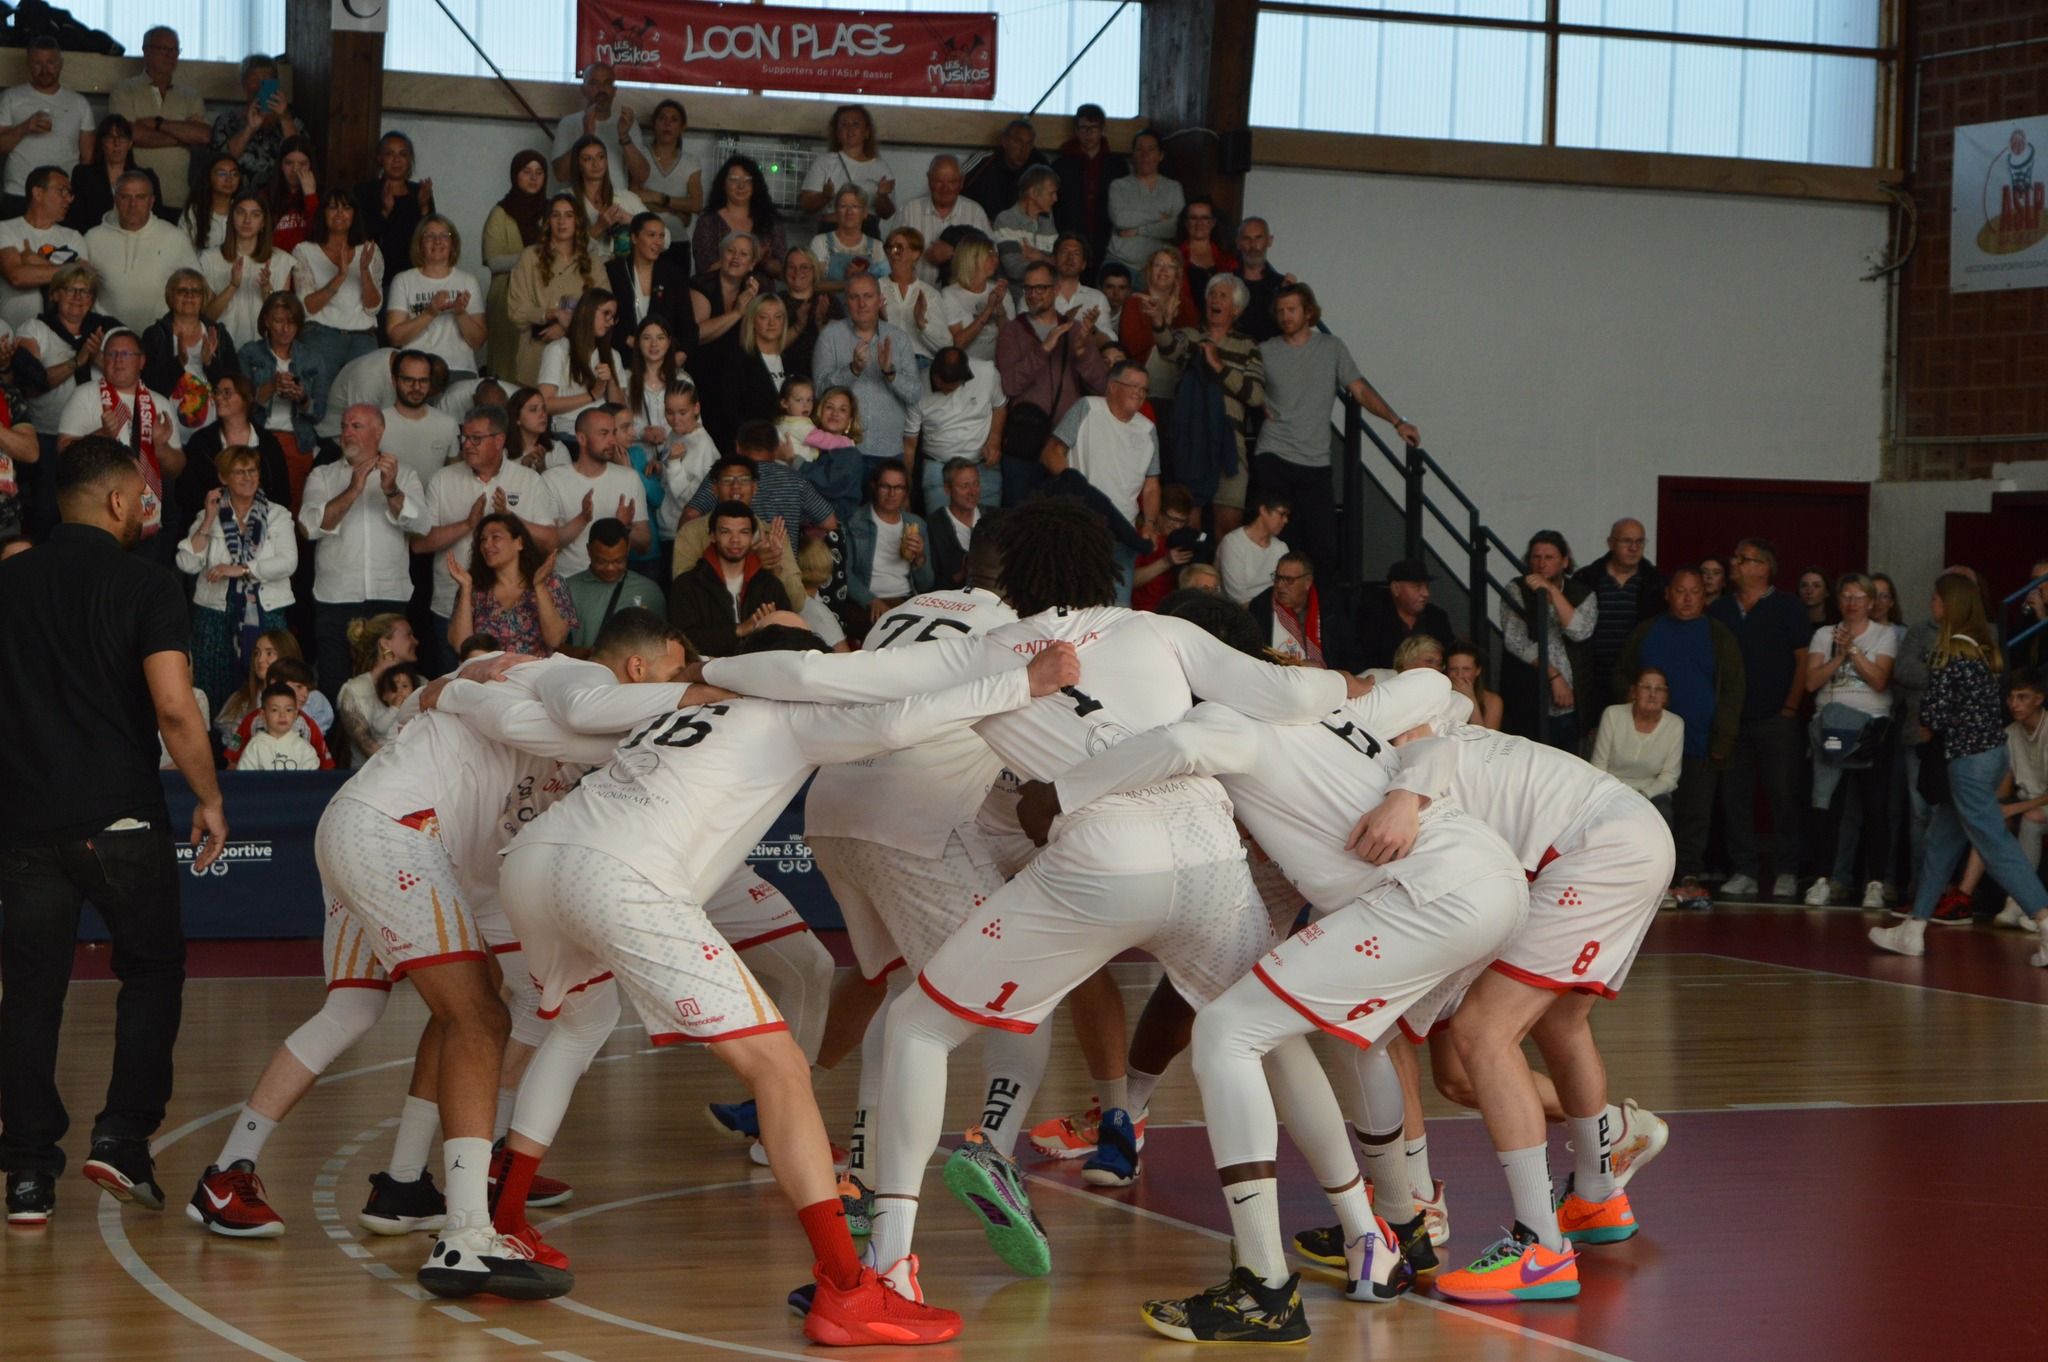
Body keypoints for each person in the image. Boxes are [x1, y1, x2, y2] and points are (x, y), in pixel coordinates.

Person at [701, 497, 1366, 1322]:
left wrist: (709, 668)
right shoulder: (1158, 628)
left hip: (1102, 861)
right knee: (1263, 1039)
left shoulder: (993, 649)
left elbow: (813, 676)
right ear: (1106, 568)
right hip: (1210, 862)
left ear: (1008, 574)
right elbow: (1292, 697)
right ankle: (1353, 1241)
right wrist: (1367, 687)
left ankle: (893, 1267)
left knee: (917, 1026)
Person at [1016, 617, 1512, 1339]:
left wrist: (1057, 794)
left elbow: (1181, 743)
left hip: (1427, 893)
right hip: (1479, 874)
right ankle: (1400, 1230)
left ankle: (1263, 1287)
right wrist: (1412, 782)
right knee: (1354, 1039)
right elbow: (1448, 700)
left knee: (1227, 1030)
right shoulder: (1324, 704)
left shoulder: (1228, 717)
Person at [0, 435, 227, 1227]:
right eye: (142, 497)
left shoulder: (9, 582)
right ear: (120, 501)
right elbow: (173, 706)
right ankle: (123, 1139)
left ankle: (27, 1174)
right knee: (154, 972)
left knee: (28, 997)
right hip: (122, 820)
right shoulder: (146, 583)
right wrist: (210, 796)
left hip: (24, 826)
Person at [1871, 574, 2048, 960]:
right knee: (1941, 840)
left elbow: (1932, 713)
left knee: (1993, 841)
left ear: (1950, 605)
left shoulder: (1951, 653)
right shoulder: (1984, 649)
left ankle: (2045, 919)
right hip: (1989, 754)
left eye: (1936, 598)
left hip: (1966, 761)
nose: (1932, 604)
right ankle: (1914, 927)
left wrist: (1931, 718)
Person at [1613, 566, 1743, 907]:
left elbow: (1733, 690)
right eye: (1680, 591)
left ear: (1706, 596)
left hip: (1700, 743)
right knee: (1652, 811)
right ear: (1668, 594)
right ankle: (1650, 876)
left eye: (1695, 592)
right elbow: (1623, 677)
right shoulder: (1647, 631)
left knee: (1694, 814)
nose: (1687, 599)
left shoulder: (1719, 635)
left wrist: (1722, 742)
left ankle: (1687, 875)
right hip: (1648, 744)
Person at [298, 404, 428, 701]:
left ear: (379, 432)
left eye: (356, 426)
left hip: (389, 596)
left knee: (392, 687)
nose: (347, 433)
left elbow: (422, 525)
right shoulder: (324, 475)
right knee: (335, 686)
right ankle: (335, 749)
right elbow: (308, 526)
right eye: (344, 426)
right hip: (336, 599)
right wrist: (354, 489)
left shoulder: (404, 475)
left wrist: (392, 490)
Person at [416, 404, 561, 665]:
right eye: (465, 438)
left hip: (514, 609)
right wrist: (468, 524)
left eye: (476, 438)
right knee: (455, 690)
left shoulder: (528, 480)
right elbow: (420, 544)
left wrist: (510, 519)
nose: (467, 445)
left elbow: (551, 541)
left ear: (499, 440)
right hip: (451, 604)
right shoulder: (443, 479)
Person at [1708, 537, 1811, 900]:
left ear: (1764, 567)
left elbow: (1803, 661)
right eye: (1736, 557)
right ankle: (1744, 870)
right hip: (1733, 722)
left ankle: (1786, 869)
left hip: (1776, 718)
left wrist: (1789, 709)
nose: (1735, 563)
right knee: (1736, 798)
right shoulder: (1719, 609)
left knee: (1784, 795)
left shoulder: (1788, 607)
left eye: (1744, 559)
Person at [1802, 573, 1900, 908]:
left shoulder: (1885, 635)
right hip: (1830, 728)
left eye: (1859, 597)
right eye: (1846, 596)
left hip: (1871, 728)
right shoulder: (1823, 634)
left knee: (1875, 807)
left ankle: (1874, 883)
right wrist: (1839, 656)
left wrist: (1854, 651)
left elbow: (1879, 679)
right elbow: (1811, 682)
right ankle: (1821, 880)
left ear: (1871, 602)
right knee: (1827, 807)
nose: (1851, 603)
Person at [175, 444, 295, 711]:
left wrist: (242, 570)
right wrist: (207, 520)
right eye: (239, 472)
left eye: (252, 470)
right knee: (213, 686)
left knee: (267, 686)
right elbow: (187, 562)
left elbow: (288, 562)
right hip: (214, 614)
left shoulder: (276, 514)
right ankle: (217, 750)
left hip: (267, 611)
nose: (248, 477)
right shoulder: (209, 514)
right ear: (223, 477)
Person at [1042, 359, 1159, 602]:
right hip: (1081, 527)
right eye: (1133, 386)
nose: (1139, 393)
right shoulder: (1088, 408)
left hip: (1122, 532)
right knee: (1073, 603)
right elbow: (1052, 452)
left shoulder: (1148, 429)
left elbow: (1151, 485)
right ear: (1112, 386)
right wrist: (1076, 488)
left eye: (1144, 389)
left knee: (1117, 610)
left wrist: (1149, 523)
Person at [1155, 272, 1263, 527]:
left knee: (1227, 530)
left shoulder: (1247, 345)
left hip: (1230, 445)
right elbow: (1169, 348)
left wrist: (1219, 368)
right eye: (1212, 294)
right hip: (1192, 440)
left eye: (1222, 295)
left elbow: (1256, 396)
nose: (1215, 299)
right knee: (1188, 524)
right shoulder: (1192, 336)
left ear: (1235, 309)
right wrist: (1159, 323)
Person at [671, 444, 819, 606]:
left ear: (754, 488)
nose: (736, 487)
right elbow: (683, 594)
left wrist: (774, 568)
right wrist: (752, 562)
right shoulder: (691, 532)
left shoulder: (772, 534)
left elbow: (796, 602)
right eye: (727, 480)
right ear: (714, 489)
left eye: (744, 480)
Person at [1503, 530, 1597, 751]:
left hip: (1572, 702)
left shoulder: (1582, 592)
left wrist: (1552, 592)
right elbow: (1515, 640)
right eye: (1536, 557)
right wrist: (1553, 675)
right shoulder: (1517, 589)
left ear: (1565, 561)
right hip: (1529, 694)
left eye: (1549, 557)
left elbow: (1580, 631)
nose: (1541, 563)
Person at [813, 273, 920, 464]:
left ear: (880, 301)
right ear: (846, 302)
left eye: (868, 296)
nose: (862, 304)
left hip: (888, 450)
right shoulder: (830, 335)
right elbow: (820, 391)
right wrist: (852, 369)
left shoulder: (899, 338)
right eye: (854, 297)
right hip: (841, 450)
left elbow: (914, 394)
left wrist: (890, 373)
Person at [289, 190, 381, 412]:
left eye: (347, 207)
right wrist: (340, 276)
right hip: (320, 334)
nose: (340, 213)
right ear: (323, 214)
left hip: (362, 336)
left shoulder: (370, 250)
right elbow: (307, 307)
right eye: (332, 207)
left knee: (364, 408)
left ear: (354, 215)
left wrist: (363, 271)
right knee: (317, 405)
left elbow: (373, 307)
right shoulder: (304, 250)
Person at [668, 499, 790, 655]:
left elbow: (790, 637)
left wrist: (772, 626)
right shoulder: (687, 584)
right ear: (712, 536)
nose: (735, 540)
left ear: (752, 538)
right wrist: (739, 630)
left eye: (743, 532)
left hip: (759, 673)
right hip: (707, 674)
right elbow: (682, 641)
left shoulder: (770, 585)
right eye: (726, 532)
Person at [109, 27, 210, 215]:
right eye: (164, 49)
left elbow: (203, 135)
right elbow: (129, 134)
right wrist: (182, 137)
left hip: (179, 198)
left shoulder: (189, 95)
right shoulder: (125, 90)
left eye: (175, 50)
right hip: (134, 199)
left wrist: (158, 124)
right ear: (146, 51)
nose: (171, 56)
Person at [446, 512, 574, 656]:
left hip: (534, 675)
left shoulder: (551, 582)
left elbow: (555, 640)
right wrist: (466, 587)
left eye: (496, 537)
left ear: (519, 543)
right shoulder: (474, 587)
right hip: (486, 674)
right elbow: (461, 646)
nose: (487, 545)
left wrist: (539, 587)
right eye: (482, 540)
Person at [997, 259, 1106, 428]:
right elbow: (1009, 386)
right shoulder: (1012, 330)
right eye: (1028, 288)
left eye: (1040, 288)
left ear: (1056, 290)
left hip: (1066, 434)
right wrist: (1043, 350)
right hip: (1025, 431)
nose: (1033, 295)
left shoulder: (1075, 329)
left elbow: (1101, 387)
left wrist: (1082, 354)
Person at [83, 173, 197, 333]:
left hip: (159, 340)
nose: (133, 204)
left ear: (152, 201)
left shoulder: (175, 238)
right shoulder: (92, 238)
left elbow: (197, 287)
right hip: (108, 341)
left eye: (140, 197)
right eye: (125, 197)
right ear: (115, 200)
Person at [506, 193, 600, 387]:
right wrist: (550, 314)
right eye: (556, 215)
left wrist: (567, 326)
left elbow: (604, 310)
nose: (562, 222)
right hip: (535, 361)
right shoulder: (530, 257)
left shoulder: (593, 263)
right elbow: (516, 311)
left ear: (578, 221)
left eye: (569, 215)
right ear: (547, 221)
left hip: (579, 362)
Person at [544, 406, 649, 578]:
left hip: (613, 581)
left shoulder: (629, 477)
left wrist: (624, 528)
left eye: (613, 433)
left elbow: (644, 545)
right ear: (582, 438)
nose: (612, 441)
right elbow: (549, 545)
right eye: (603, 433)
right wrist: (583, 518)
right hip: (567, 582)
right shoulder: (552, 480)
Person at [140, 267, 237, 443]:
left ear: (203, 298)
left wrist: (210, 363)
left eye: (196, 291)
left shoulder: (219, 334)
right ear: (170, 297)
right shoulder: (155, 335)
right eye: (182, 290)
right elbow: (148, 388)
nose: (189, 295)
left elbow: (234, 389)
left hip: (212, 437)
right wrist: (178, 364)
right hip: (166, 437)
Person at [1573, 518, 1664, 705]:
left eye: (1640, 541)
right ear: (1611, 543)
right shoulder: (1587, 579)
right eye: (1627, 541)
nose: (1634, 548)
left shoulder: (1657, 582)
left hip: (1637, 678)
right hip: (1592, 677)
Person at [0, 38, 93, 218]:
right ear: (28, 64)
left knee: (61, 246)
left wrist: (79, 194)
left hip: (63, 196)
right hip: (20, 192)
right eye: (38, 63)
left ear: (61, 64)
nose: (44, 69)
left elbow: (87, 160)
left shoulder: (79, 103)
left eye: (50, 62)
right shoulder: (11, 98)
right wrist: (25, 127)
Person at [385, 215, 485, 381]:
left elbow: (478, 341)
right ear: (420, 245)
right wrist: (430, 313)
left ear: (453, 244)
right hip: (416, 371)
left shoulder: (468, 281)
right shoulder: (403, 280)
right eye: (430, 236)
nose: (437, 241)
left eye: (444, 236)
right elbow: (395, 337)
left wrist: (460, 314)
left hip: (459, 368)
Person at [905, 345, 1004, 513]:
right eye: (944, 387)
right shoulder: (917, 388)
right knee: (941, 526)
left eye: (954, 387)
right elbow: (909, 444)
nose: (948, 392)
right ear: (934, 376)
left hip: (982, 465)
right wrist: (906, 487)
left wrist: (995, 439)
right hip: (939, 467)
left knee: (989, 527)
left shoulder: (987, 372)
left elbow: (1000, 406)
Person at [483, 151, 549, 380]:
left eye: (539, 173)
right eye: (527, 172)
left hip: (545, 297)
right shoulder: (500, 213)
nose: (533, 178)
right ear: (515, 175)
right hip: (507, 297)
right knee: (507, 365)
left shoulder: (553, 212)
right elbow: (494, 261)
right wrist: (533, 256)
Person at [1991, 670, 2048, 927]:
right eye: (2011, 697)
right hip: (2029, 801)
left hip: (2037, 805)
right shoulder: (2010, 733)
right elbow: (2006, 782)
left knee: (2031, 817)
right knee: (1991, 820)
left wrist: (2014, 808)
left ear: (2039, 699)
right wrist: (1997, 808)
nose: (2014, 704)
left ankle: (2020, 902)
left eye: (2022, 697)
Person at [0, 165, 87, 330]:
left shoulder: (73, 236)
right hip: (10, 335)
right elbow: (17, 276)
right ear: (38, 193)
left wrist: (35, 262)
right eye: (62, 191)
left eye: (69, 194)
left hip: (59, 339)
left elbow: (84, 282)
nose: (68, 199)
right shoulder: (5, 229)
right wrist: (71, 268)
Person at [238, 288, 324, 454]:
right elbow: (241, 407)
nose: (286, 329)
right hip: (256, 439)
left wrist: (302, 398)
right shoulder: (248, 353)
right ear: (267, 321)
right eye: (279, 321)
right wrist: (271, 386)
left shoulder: (313, 358)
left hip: (297, 441)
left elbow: (319, 414)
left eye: (292, 322)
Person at [1592, 667, 1683, 821]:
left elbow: (1669, 777)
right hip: (1611, 790)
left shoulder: (1675, 724)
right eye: (1646, 687)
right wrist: (1616, 794)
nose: (1653, 694)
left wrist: (1642, 795)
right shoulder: (1613, 715)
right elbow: (1598, 767)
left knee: (1663, 814)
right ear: (1634, 692)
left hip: (1651, 793)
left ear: (1665, 697)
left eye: (1659, 689)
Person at [847, 459, 932, 622]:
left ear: (906, 492)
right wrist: (870, 600)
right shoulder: (855, 521)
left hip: (906, 600)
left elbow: (926, 585)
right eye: (886, 486)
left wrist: (920, 558)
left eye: (898, 487)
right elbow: (845, 573)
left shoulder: (917, 524)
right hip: (868, 602)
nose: (892, 494)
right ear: (874, 487)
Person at [887, 154, 989, 287]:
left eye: (952, 182)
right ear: (929, 179)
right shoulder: (909, 210)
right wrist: (917, 254)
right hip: (915, 292)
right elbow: (891, 251)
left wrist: (954, 253)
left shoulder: (975, 212)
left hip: (962, 298)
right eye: (939, 181)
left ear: (961, 182)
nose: (945, 188)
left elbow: (990, 257)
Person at [563, 516, 663, 651]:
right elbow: (554, 647)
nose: (610, 568)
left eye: (618, 561)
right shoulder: (568, 590)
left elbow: (661, 644)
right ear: (589, 551)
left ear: (627, 549)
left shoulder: (649, 591)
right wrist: (585, 655)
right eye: (601, 562)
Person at [198, 191, 282, 351]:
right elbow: (206, 318)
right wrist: (232, 286)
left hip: (263, 351)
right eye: (241, 212)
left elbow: (282, 321)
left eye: (255, 214)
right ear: (231, 218)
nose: (247, 220)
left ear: (264, 222)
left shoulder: (281, 260)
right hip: (221, 348)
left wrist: (266, 289)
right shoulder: (208, 258)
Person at [605, 211, 693, 361]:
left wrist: (681, 354)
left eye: (661, 236)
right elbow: (602, 316)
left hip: (664, 360)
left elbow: (687, 323)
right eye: (651, 235)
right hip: (622, 357)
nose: (658, 242)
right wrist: (626, 339)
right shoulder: (613, 271)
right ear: (634, 237)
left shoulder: (674, 274)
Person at [1248, 550, 1358, 670]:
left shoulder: (1329, 606)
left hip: (1323, 679)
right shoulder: (1261, 606)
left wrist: (1325, 668)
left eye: (1288, 580)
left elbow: (1350, 655)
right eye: (1277, 578)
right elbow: (1252, 655)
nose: (1279, 585)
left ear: (1308, 582)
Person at [351, 132, 431, 295]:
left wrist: (423, 208)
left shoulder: (419, 192)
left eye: (403, 154)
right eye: (390, 154)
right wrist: (385, 212)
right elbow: (360, 236)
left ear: (410, 160)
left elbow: (429, 238)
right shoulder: (365, 191)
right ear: (380, 158)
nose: (396, 160)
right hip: (375, 278)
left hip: (412, 277)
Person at [1051, 104, 1128, 272]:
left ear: (1102, 130)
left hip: (1107, 235)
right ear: (1076, 130)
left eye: (1093, 128)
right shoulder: (1062, 164)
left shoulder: (1116, 165)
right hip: (1070, 233)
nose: (1088, 134)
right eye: (1084, 128)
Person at [536, 286, 623, 433]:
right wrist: (592, 395)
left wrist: (612, 382)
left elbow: (620, 409)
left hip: (607, 433)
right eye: (606, 313)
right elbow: (545, 403)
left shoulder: (613, 355)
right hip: (569, 431)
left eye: (613, 317)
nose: (609, 322)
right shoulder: (558, 350)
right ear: (585, 311)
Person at [333, 612, 417, 766]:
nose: (415, 641)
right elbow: (365, 743)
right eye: (408, 635)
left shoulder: (422, 683)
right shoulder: (354, 690)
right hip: (368, 778)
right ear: (385, 643)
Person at [551, 61, 646, 194]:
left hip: (617, 203)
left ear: (614, 90)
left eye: (607, 83)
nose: (601, 89)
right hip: (579, 203)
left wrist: (624, 136)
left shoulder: (627, 123)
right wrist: (585, 137)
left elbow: (642, 176)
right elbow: (560, 175)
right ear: (583, 89)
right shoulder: (568, 123)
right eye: (594, 83)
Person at [799, 104, 897, 232]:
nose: (850, 129)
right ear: (837, 133)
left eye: (856, 124)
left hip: (866, 232)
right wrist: (825, 196)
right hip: (832, 231)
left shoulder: (880, 167)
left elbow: (887, 213)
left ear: (866, 132)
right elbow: (806, 205)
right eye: (844, 125)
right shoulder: (824, 162)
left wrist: (882, 196)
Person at [210, 55, 298, 191]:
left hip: (280, 197)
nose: (260, 87)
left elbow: (301, 158)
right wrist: (249, 129)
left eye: (266, 82)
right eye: (255, 80)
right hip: (237, 195)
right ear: (244, 85)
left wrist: (285, 119)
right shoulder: (227, 121)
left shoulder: (292, 121)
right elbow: (221, 161)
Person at [693, 154, 786, 278]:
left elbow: (782, 270)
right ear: (723, 183)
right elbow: (703, 270)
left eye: (748, 180)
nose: (741, 186)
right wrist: (749, 257)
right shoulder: (708, 221)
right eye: (734, 179)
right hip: (717, 294)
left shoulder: (770, 221)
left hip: (761, 294)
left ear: (755, 185)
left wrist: (764, 261)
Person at [1356, 558, 1455, 670]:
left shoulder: (1437, 618)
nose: (1426, 593)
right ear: (1396, 588)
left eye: (1427, 586)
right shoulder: (1373, 618)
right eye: (1417, 587)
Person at [1106, 129, 1183, 272]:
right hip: (1120, 263)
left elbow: (1174, 228)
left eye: (1151, 149)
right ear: (1133, 154)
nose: (1145, 155)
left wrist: (1138, 230)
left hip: (1159, 270)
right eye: (1139, 149)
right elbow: (1121, 219)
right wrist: (1159, 217)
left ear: (1160, 155)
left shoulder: (1173, 188)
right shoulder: (1118, 186)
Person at [378, 348, 458, 485]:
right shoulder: (376, 422)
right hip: (385, 504)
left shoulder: (448, 424)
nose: (416, 387)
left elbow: (456, 477)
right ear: (394, 380)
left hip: (432, 505)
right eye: (408, 380)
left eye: (423, 381)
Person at [566, 135, 649, 260]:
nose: (596, 164)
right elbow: (561, 251)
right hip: (582, 275)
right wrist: (598, 228)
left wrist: (631, 220)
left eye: (601, 157)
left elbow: (665, 238)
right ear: (578, 164)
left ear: (606, 160)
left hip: (621, 275)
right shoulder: (565, 199)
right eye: (588, 159)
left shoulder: (627, 198)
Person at [877, 226, 950, 366]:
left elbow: (945, 345)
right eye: (889, 247)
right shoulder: (875, 288)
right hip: (886, 361)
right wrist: (881, 320)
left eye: (899, 248)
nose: (892, 253)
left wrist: (922, 323)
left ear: (915, 253)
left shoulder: (930, 294)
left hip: (921, 362)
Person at [631, 98, 701, 242]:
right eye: (662, 118)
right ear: (653, 124)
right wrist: (677, 209)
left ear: (682, 127)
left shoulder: (691, 162)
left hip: (677, 239)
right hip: (644, 239)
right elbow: (633, 196)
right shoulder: (639, 155)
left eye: (674, 119)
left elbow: (696, 204)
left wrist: (658, 198)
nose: (667, 124)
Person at [939, 236, 1011, 372]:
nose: (995, 260)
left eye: (996, 254)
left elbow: (1009, 340)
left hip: (996, 370)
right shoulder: (950, 294)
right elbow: (958, 344)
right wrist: (988, 309)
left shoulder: (1000, 289)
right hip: (965, 370)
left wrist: (1000, 308)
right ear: (971, 258)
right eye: (989, 254)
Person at [925, 456, 996, 591]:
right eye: (964, 486)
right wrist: (961, 575)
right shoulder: (934, 526)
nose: (972, 492)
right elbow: (929, 585)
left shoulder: (994, 518)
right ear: (947, 489)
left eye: (976, 484)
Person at [809, 186, 888, 293]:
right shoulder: (821, 242)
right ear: (836, 211)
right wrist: (849, 283)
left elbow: (884, 286)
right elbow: (814, 284)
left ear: (865, 213)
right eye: (843, 206)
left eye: (855, 206)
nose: (849, 212)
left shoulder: (877, 246)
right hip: (829, 307)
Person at [991, 164, 1059, 288]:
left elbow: (1061, 265)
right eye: (1051, 193)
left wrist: (1040, 257)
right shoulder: (1006, 219)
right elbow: (1014, 269)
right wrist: (1049, 261)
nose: (1055, 199)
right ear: (1033, 193)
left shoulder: (1047, 220)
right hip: (1015, 298)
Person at [1217, 493, 1290, 604]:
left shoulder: (1281, 548)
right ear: (1263, 510)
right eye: (1282, 514)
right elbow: (1238, 599)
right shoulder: (1233, 544)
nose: (1285, 520)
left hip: (1274, 611)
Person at [238, 682, 321, 771]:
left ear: (296, 714)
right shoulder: (255, 747)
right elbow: (245, 781)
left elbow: (311, 781)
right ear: (263, 714)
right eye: (275, 710)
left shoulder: (305, 749)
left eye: (288, 710)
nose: (282, 715)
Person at [1175, 197, 1238, 305]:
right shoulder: (1173, 257)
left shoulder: (1228, 260)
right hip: (1183, 319)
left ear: (1213, 222)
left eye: (1205, 218)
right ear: (1186, 222)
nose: (1199, 223)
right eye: (1193, 218)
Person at [265, 135, 319, 251]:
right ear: (281, 165)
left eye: (302, 164)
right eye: (289, 163)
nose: (295, 169)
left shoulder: (322, 195)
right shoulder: (266, 195)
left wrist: (311, 197)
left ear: (311, 166)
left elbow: (320, 235)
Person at [180, 152, 242, 253]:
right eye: (222, 173)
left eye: (234, 174)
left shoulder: (244, 210)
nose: (229, 179)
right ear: (209, 176)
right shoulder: (194, 212)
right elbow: (182, 251)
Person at [1446, 639, 1504, 731]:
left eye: (1466, 669)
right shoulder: (1441, 697)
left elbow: (1486, 740)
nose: (1459, 675)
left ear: (1477, 671)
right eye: (1453, 669)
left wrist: (1470, 698)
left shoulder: (1492, 700)